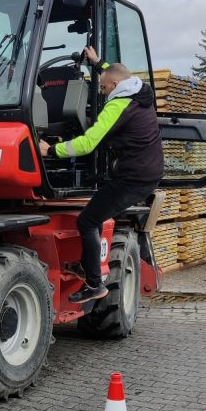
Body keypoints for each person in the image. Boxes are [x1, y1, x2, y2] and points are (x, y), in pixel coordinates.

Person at [39, 46, 164, 303]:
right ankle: (89, 265)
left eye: (105, 88)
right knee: (96, 215)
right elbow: (114, 73)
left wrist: (51, 149)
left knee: (87, 220)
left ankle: (94, 283)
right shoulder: (140, 92)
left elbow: (86, 144)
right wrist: (97, 64)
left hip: (133, 178)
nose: (103, 93)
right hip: (144, 172)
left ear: (116, 86)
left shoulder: (117, 106)